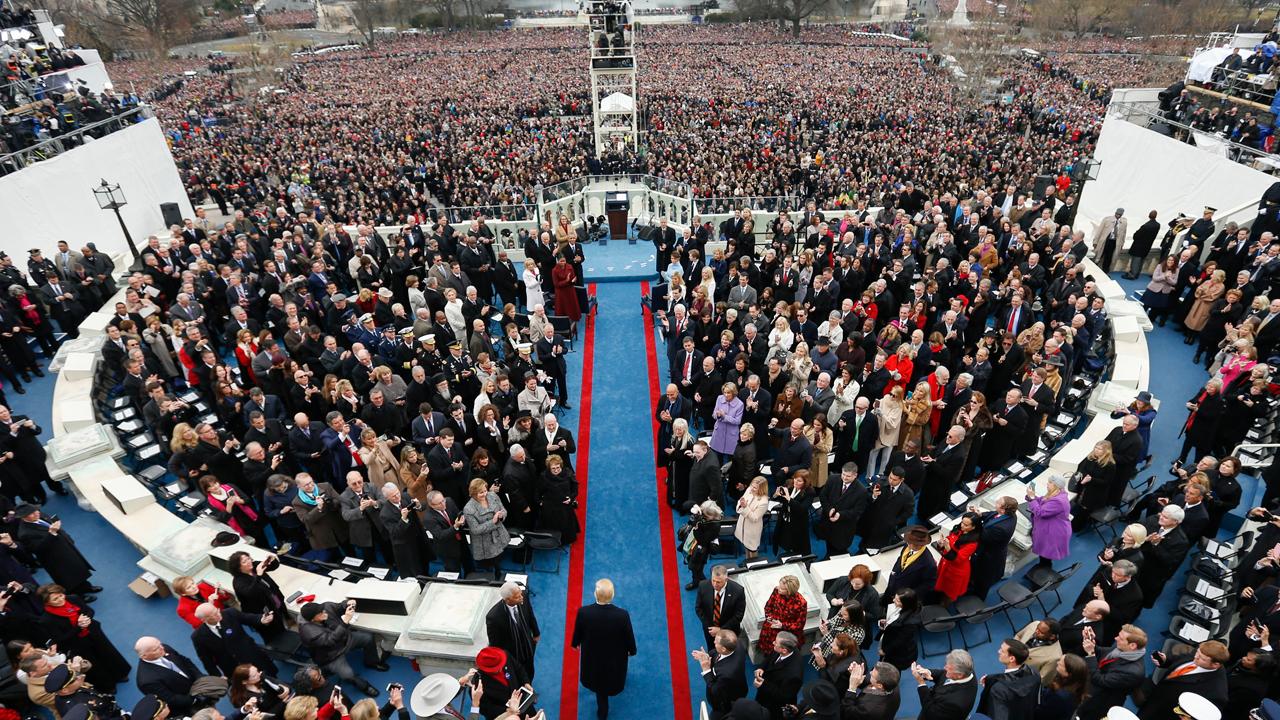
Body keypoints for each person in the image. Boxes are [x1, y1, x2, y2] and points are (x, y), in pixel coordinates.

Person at [36, 584, 130, 689]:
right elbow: (60, 639)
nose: (61, 599)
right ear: (47, 602)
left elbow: (89, 611)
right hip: (77, 644)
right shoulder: (46, 620)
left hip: (93, 632)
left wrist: (86, 619)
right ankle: (107, 685)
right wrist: (79, 626)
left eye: (61, 595)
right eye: (55, 599)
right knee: (94, 664)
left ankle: (119, 674)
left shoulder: (73, 598)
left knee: (107, 653)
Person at [570, 579, 636, 720]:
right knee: (610, 678)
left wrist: (575, 643)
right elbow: (628, 636)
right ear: (612, 595)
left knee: (598, 684)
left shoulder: (584, 612)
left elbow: (578, 631)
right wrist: (632, 650)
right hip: (614, 658)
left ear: (595, 594)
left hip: (593, 657)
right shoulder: (622, 615)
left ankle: (602, 711)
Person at [297, 601, 388, 697]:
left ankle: (371, 662)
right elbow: (330, 641)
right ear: (313, 619)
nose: (324, 612)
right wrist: (344, 622)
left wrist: (347, 604)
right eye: (321, 613)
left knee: (368, 638)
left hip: (345, 639)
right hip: (331, 655)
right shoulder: (308, 633)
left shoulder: (324, 608)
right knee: (347, 674)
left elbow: (338, 607)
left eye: (322, 609)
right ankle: (364, 686)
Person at [15, 504, 100, 596]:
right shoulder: (24, 533)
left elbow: (56, 527)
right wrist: (51, 533)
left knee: (78, 569)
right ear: (23, 517)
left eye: (35, 510)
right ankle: (79, 596)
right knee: (69, 578)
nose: (36, 513)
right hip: (55, 559)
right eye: (31, 513)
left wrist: (67, 538)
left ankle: (86, 587)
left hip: (65, 548)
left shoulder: (40, 515)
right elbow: (37, 549)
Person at [1136, 641, 1230, 720]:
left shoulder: (1217, 693)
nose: (1195, 657)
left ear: (1215, 664)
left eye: (1202, 658)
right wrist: (1166, 660)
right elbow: (1182, 658)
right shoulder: (1201, 652)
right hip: (1157, 694)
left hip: (1164, 712)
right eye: (1197, 652)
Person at [133, 636, 225, 714]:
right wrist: (196, 699)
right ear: (144, 656)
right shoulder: (147, 681)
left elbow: (185, 661)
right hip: (190, 706)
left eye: (160, 644)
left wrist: (200, 677)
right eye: (156, 649)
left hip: (200, 688)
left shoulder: (164, 648)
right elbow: (171, 699)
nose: (162, 648)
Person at [1076, 623, 1147, 720]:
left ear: (1132, 645)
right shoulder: (1124, 649)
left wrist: (1091, 653)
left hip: (1100, 702)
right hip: (1092, 689)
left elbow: (1100, 680)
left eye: (1120, 638)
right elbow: (1102, 652)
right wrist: (1091, 641)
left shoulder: (1133, 672)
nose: (1116, 638)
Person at [190, 603, 277, 679]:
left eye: (216, 610)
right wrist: (217, 676)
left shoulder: (230, 613)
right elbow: (206, 660)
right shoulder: (198, 637)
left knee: (270, 677)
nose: (218, 614)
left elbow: (248, 617)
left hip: (253, 656)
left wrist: (261, 619)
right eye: (213, 614)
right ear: (203, 620)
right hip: (234, 668)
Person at [1137, 504, 1191, 608]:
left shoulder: (1181, 541)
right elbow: (1135, 533)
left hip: (1150, 575)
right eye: (1162, 513)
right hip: (1135, 563)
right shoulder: (1152, 520)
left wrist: (1156, 545)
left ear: (1176, 522)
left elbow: (1170, 561)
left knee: (1139, 601)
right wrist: (1145, 539)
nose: (1161, 517)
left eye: (1165, 517)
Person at [484, 582, 540, 681]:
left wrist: (536, 633)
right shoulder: (494, 617)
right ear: (508, 600)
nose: (521, 597)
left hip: (528, 645)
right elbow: (494, 643)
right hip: (512, 655)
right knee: (516, 677)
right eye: (517, 597)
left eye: (520, 594)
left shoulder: (523, 596)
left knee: (529, 670)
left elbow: (530, 616)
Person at [976, 638, 1040, 720]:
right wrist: (991, 679)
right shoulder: (1034, 672)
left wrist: (992, 684)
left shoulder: (998, 690)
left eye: (1002, 651)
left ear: (1012, 659)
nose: (998, 651)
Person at [228, 550, 288, 639]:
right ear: (238, 567)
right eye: (244, 561)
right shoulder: (238, 582)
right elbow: (251, 593)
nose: (249, 561)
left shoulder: (254, 565)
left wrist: (272, 560)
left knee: (283, 621)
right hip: (262, 611)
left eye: (248, 558)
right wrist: (259, 575)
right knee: (276, 633)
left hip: (275, 600)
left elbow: (274, 566)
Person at [968, 496, 1018, 600]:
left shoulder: (1002, 528)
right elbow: (993, 514)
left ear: (1003, 509)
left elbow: (984, 537)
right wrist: (980, 514)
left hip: (989, 558)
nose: (996, 501)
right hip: (987, 552)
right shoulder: (1009, 515)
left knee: (983, 581)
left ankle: (978, 600)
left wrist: (975, 523)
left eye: (998, 502)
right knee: (976, 574)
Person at [817, 462, 869, 558]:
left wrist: (840, 515)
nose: (844, 478)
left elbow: (857, 511)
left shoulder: (861, 491)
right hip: (828, 523)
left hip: (843, 528)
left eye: (848, 476)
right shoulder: (833, 479)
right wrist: (829, 509)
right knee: (829, 545)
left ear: (855, 475)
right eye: (843, 474)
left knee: (839, 550)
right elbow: (823, 496)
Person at [692, 630, 747, 720]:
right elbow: (716, 652)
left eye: (716, 642)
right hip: (738, 685)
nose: (713, 642)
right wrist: (707, 655)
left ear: (724, 649)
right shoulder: (737, 644)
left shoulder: (727, 673)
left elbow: (714, 690)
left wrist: (706, 670)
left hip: (726, 701)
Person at [910, 650, 977, 720]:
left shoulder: (956, 703)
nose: (945, 668)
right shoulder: (966, 669)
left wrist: (921, 683)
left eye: (949, 668)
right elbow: (943, 674)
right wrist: (928, 672)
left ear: (960, 675)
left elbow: (930, 712)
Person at [859, 466, 914, 551]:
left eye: (894, 480)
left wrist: (894, 521)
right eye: (890, 477)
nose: (891, 481)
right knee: (864, 542)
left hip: (886, 527)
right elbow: (867, 497)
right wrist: (873, 496)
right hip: (871, 520)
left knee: (876, 547)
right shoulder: (879, 482)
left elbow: (909, 512)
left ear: (901, 480)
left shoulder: (908, 494)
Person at [752, 631, 805, 718]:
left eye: (775, 642)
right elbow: (770, 657)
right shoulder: (786, 648)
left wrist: (763, 685)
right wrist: (761, 668)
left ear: (784, 650)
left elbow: (783, 696)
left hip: (773, 705)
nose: (773, 643)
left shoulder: (794, 675)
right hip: (766, 693)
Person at [932, 512, 982, 603]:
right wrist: (941, 544)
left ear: (974, 527)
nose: (962, 526)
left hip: (956, 570)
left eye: (966, 525)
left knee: (949, 594)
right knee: (940, 586)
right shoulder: (958, 530)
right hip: (946, 564)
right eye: (962, 522)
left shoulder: (972, 543)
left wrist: (947, 546)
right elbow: (948, 540)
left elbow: (958, 559)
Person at [464, 478, 511, 572]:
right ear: (473, 493)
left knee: (499, 560)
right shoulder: (468, 509)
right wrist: (492, 522)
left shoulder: (493, 495)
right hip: (484, 543)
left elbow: (503, 510)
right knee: (488, 566)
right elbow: (475, 530)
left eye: (485, 490)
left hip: (499, 535)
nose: (485, 494)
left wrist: (501, 516)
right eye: (481, 492)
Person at [1026, 476, 1072, 570]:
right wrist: (1033, 497)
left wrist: (1032, 498)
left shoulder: (1058, 501)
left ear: (1055, 485)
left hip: (1053, 533)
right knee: (1044, 553)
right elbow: (1042, 501)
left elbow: (1041, 512)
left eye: (1050, 483)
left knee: (1046, 554)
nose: (1047, 484)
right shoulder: (1057, 494)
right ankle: (1043, 566)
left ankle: (1044, 571)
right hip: (1050, 529)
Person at [695, 566, 746, 649]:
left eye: (718, 582)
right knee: (712, 649)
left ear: (726, 580)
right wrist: (710, 628)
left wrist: (720, 629)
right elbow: (698, 608)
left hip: (729, 631)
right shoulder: (703, 586)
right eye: (713, 580)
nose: (715, 584)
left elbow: (738, 615)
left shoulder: (738, 591)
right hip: (710, 630)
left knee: (729, 651)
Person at [1072, 441, 1118, 531]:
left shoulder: (1110, 465)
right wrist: (1085, 476)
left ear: (1106, 451)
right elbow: (1082, 468)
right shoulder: (1090, 457)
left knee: (1084, 510)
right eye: (1096, 447)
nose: (1096, 450)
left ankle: (1076, 527)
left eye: (1099, 449)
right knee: (1079, 505)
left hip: (1095, 493)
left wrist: (1091, 479)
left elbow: (1107, 482)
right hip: (1085, 487)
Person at [883, 526, 938, 603]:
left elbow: (928, 584)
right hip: (892, 587)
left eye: (912, 543)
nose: (909, 544)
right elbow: (901, 559)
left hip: (903, 598)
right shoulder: (907, 546)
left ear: (921, 544)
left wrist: (908, 596)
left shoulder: (929, 563)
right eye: (909, 542)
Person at [758, 575, 807, 656]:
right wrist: (769, 617)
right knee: (768, 655)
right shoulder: (776, 590)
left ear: (789, 591)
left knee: (784, 657)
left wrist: (782, 625)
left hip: (787, 634)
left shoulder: (801, 603)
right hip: (771, 629)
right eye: (779, 586)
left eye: (782, 588)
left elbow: (799, 625)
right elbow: (768, 606)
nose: (778, 589)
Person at [877, 589, 922, 671]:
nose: (893, 600)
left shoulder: (910, 623)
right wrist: (888, 622)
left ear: (906, 603)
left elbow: (899, 641)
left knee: (892, 669)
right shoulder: (904, 608)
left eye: (897, 600)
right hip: (890, 641)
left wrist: (885, 651)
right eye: (895, 597)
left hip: (899, 654)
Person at [423, 490, 467, 573]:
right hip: (448, 550)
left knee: (469, 565)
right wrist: (455, 526)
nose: (443, 504)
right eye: (439, 503)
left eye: (443, 500)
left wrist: (462, 521)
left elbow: (458, 514)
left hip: (461, 541)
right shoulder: (428, 518)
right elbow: (441, 535)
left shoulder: (449, 501)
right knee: (454, 572)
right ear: (431, 505)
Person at [685, 500, 724, 590]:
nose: (703, 517)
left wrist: (696, 527)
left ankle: (700, 583)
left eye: (706, 516)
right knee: (695, 567)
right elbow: (685, 505)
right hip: (695, 545)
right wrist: (694, 506)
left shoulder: (715, 525)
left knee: (696, 567)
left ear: (712, 515)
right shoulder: (704, 517)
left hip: (702, 549)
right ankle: (698, 581)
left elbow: (702, 540)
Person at [1035, 654, 1088, 720]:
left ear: (1067, 673)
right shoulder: (1076, 686)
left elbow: (1041, 714)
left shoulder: (1060, 696)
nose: (1057, 663)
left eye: (1060, 664)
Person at [772, 471, 813, 555]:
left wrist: (789, 498)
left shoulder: (809, 492)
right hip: (785, 519)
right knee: (784, 541)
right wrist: (776, 495)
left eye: (799, 481)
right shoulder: (789, 484)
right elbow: (781, 499)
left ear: (805, 482)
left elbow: (802, 509)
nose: (795, 482)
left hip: (798, 523)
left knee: (797, 546)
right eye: (795, 479)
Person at [1013, 619, 1063, 684]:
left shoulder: (1055, 657)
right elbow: (1018, 636)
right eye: (1037, 628)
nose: (1036, 631)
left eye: (1041, 632)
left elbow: (1042, 679)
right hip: (1011, 665)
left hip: (1021, 681)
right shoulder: (1035, 624)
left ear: (1052, 637)